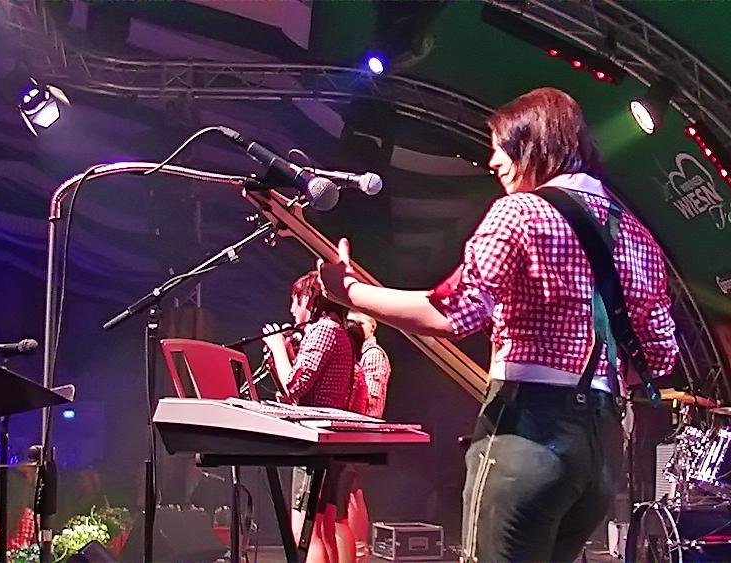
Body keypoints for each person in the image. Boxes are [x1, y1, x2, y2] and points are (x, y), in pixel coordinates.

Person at [316, 87, 678, 561]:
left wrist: (348, 292)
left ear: (533, 146)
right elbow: (660, 356)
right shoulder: (638, 235)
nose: (492, 162)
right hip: (602, 451)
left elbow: (455, 312)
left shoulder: (520, 212)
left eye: (501, 148)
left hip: (527, 432)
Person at [262, 271, 362, 563]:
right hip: (327, 440)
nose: (292, 309)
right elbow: (298, 387)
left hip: (314, 441)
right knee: (322, 527)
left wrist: (278, 348)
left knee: (304, 531)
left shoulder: (323, 330)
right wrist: (283, 355)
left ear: (309, 298)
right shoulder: (335, 330)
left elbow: (294, 386)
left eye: (295, 300)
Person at [344, 311, 392, 561]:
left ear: (372, 327)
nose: (353, 326)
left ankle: (359, 549)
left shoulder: (372, 355)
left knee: (351, 491)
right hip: (358, 432)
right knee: (351, 491)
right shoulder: (361, 354)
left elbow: (370, 399)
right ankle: (356, 549)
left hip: (363, 431)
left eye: (359, 323)